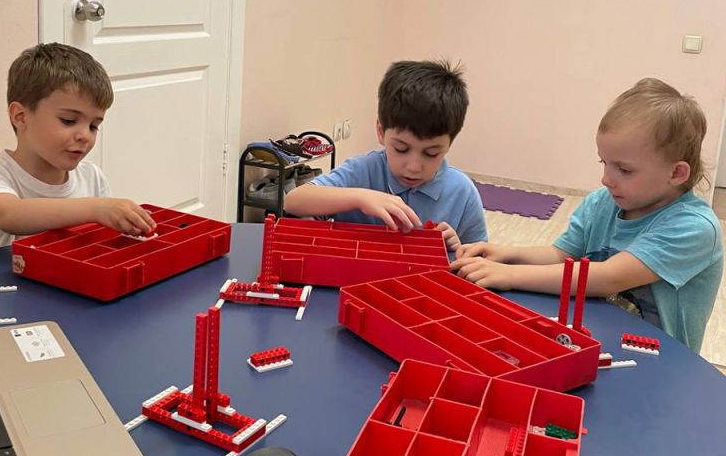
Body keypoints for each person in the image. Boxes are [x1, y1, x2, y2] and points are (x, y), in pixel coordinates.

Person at [455, 78, 723, 353]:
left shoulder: (694, 228)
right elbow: (561, 254)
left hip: (660, 358)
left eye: (624, 170)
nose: (606, 178)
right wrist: (507, 254)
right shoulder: (602, 202)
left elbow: (608, 277)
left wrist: (510, 275)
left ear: (676, 173)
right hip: (596, 339)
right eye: (604, 162)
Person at [284, 60, 487, 255]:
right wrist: (360, 198)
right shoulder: (362, 171)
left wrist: (456, 250)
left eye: (431, 153)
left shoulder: (462, 192)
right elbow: (293, 201)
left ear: (449, 144)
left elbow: (480, 260)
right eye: (401, 149)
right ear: (381, 132)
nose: (414, 167)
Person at [0, 42, 156, 251]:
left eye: (93, 126)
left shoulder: (92, 177)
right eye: (68, 120)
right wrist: (96, 208)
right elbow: (8, 214)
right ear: (20, 117)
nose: (85, 135)